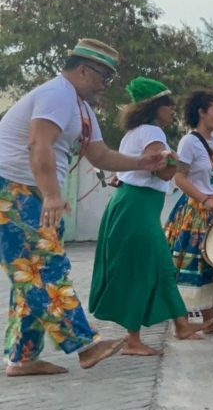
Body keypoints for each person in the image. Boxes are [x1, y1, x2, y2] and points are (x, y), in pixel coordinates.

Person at [0, 39, 169, 376]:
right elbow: (38, 141)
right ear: (82, 70)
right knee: (44, 270)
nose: (105, 86)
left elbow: (100, 156)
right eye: (103, 78)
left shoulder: (81, 109)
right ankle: (84, 346)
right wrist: (50, 194)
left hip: (31, 192)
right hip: (14, 190)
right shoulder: (57, 95)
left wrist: (142, 162)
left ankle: (22, 358)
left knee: (30, 272)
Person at [89, 77, 209, 355]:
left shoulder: (134, 133)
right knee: (141, 269)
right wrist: (175, 161)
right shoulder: (153, 134)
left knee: (162, 267)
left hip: (133, 204)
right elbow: (162, 171)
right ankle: (132, 340)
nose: (172, 111)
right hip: (138, 206)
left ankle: (181, 324)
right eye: (168, 105)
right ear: (155, 107)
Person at [164, 90, 213, 333]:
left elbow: (208, 175)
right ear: (201, 112)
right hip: (195, 210)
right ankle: (183, 324)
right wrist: (203, 198)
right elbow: (179, 177)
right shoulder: (189, 142)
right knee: (190, 265)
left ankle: (209, 321)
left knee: (211, 264)